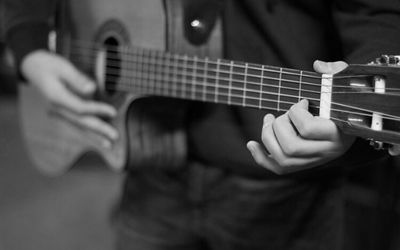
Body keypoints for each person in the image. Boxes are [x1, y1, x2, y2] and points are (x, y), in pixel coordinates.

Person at [5, 0, 400, 249]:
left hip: (283, 187)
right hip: (150, 164)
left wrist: (348, 132)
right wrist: (29, 46)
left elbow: (380, 13)